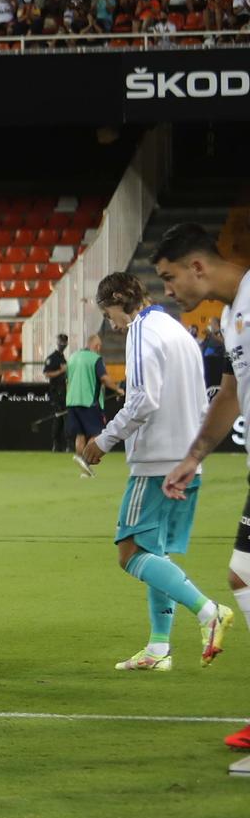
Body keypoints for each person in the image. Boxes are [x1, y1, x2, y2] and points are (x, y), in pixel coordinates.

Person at [77, 272, 232, 670]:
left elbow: (144, 399)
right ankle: (159, 648)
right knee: (154, 551)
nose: (110, 323)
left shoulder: (142, 330)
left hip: (157, 462)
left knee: (129, 553)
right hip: (186, 458)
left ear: (118, 300)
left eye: (108, 311)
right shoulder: (177, 330)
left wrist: (104, 439)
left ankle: (207, 610)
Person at [150, 224, 250, 770]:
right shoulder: (232, 316)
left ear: (197, 267)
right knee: (242, 574)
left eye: (169, 278)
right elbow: (232, 394)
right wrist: (194, 456)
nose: (168, 291)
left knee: (245, 573)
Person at [63, 333, 108, 475]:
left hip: (72, 401)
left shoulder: (72, 358)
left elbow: (67, 381)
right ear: (97, 346)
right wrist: (118, 389)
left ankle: (84, 469)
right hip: (89, 402)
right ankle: (86, 462)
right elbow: (104, 378)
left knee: (80, 435)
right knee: (97, 434)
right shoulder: (95, 359)